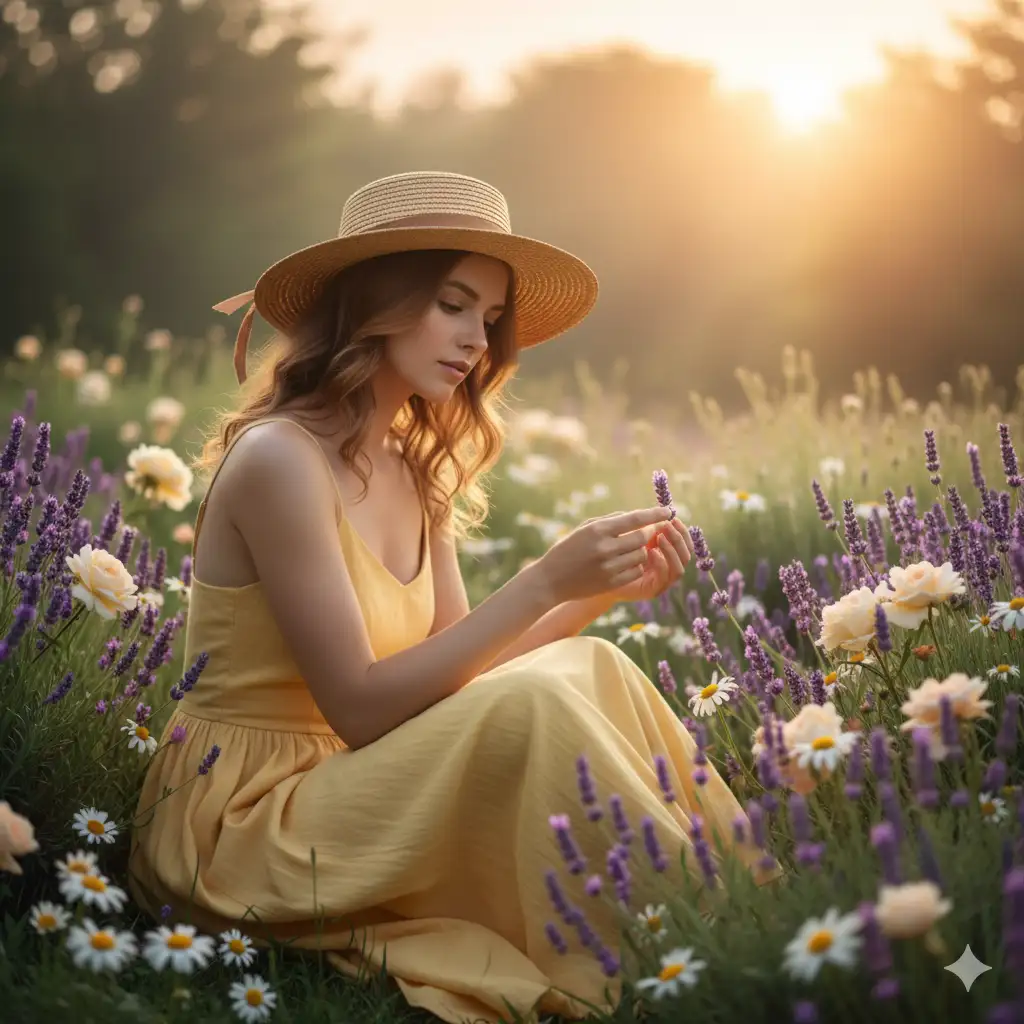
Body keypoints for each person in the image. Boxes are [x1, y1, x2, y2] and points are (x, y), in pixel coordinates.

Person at [129, 171, 771, 1024]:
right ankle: (706, 955)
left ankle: (731, 915)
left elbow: (457, 679)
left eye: (491, 318)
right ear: (377, 302)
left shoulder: (412, 466)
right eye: (453, 304)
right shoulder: (282, 459)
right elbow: (359, 707)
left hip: (350, 780)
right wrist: (543, 576)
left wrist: (588, 598)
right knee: (537, 704)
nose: (477, 339)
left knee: (589, 665)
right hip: (246, 819)